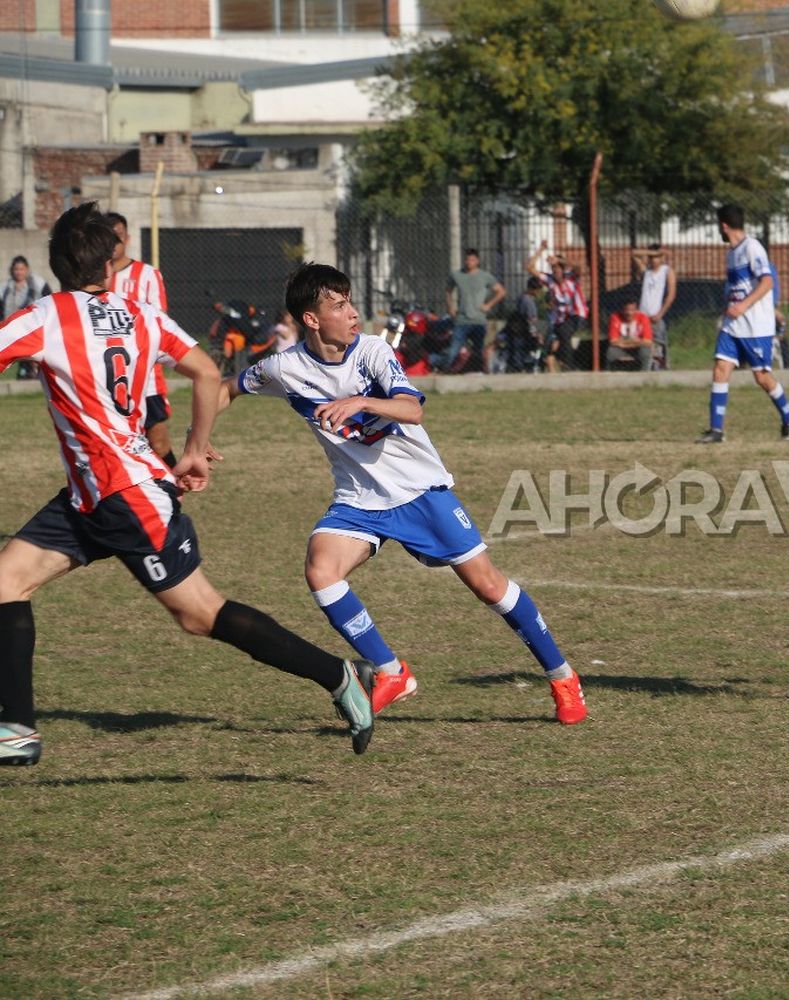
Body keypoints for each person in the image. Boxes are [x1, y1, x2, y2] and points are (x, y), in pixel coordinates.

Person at [0, 204, 375, 765]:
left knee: (200, 614)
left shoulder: (44, 316)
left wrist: (191, 453)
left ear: (59, 266)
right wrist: (194, 450)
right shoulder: (138, 313)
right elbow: (204, 371)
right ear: (109, 265)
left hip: (126, 497)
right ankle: (17, 730)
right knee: (6, 582)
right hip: (92, 494)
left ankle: (340, 676)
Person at [220, 262, 587, 724]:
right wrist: (196, 443)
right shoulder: (285, 367)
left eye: (350, 301)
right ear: (310, 320)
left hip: (419, 491)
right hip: (359, 499)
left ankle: (562, 677)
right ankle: (392, 673)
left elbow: (411, 410)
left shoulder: (372, 351)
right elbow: (225, 388)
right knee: (321, 570)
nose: (353, 313)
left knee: (488, 585)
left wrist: (362, 401)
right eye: (339, 305)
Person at [696, 204, 789, 444]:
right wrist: (731, 305)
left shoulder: (752, 247)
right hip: (733, 325)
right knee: (720, 369)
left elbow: (766, 282)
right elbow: (738, 288)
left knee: (762, 378)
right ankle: (716, 430)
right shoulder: (731, 253)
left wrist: (743, 305)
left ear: (724, 225)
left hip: (755, 327)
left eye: (718, 226)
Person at [105, 212, 175, 466]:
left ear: (128, 239)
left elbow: (159, 322)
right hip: (107, 376)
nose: (114, 243)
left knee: (157, 441)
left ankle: (173, 494)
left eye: (119, 236)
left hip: (145, 378)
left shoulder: (146, 274)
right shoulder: (92, 279)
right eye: (108, 237)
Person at [442, 248, 505, 374]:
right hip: (462, 319)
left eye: (472, 260)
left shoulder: (485, 276)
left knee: (479, 349)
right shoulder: (457, 275)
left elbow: (501, 291)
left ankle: (479, 371)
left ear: (477, 261)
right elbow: (448, 290)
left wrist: (489, 305)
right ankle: (445, 370)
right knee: (454, 348)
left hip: (478, 320)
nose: (469, 262)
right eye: (467, 260)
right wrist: (450, 308)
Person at [529, 243, 588, 373]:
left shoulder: (571, 277)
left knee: (564, 331)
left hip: (577, 315)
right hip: (559, 319)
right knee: (551, 340)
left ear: (562, 268)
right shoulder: (549, 280)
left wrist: (559, 259)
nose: (555, 271)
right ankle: (554, 364)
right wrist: (541, 250)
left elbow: (578, 266)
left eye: (557, 267)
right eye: (553, 267)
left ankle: (568, 365)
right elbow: (530, 267)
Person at [2, 256, 50, 380]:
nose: (19, 272)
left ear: (27, 270)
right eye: (16, 269)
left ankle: (33, 370)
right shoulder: (5, 288)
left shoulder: (38, 284)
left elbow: (48, 300)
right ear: (12, 270)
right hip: (14, 325)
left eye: (22, 269)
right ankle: (24, 371)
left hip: (33, 325)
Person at [633, 244, 676, 368]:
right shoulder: (646, 272)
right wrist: (650, 253)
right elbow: (634, 254)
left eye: (656, 257)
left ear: (662, 258)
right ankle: (645, 366)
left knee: (659, 345)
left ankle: (661, 367)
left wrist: (660, 313)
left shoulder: (666, 271)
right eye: (651, 257)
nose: (653, 260)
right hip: (642, 316)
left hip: (655, 315)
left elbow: (671, 295)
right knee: (644, 344)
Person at [606, 299, 654, 370]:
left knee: (645, 351)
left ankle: (644, 374)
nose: (629, 313)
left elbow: (648, 342)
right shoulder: (615, 317)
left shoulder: (643, 318)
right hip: (621, 349)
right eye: (626, 310)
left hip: (637, 348)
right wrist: (636, 341)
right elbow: (613, 341)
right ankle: (609, 374)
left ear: (636, 310)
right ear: (622, 310)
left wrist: (623, 341)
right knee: (611, 352)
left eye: (632, 310)